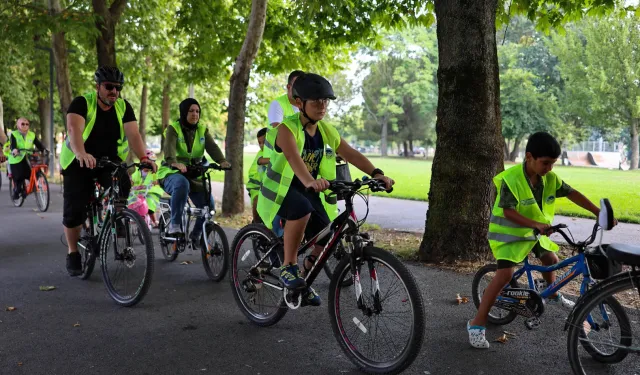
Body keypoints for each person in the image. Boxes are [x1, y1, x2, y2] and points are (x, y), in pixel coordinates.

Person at [467, 131, 615, 349]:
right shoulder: (511, 179)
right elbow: (507, 211)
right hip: (510, 236)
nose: (549, 168)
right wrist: (534, 224)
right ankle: (476, 324)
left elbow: (572, 193)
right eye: (545, 163)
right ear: (529, 157)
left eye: (553, 163)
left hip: (534, 233)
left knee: (550, 258)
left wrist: (596, 211)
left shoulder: (549, 178)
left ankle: (552, 293)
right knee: (504, 275)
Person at [257, 73, 394, 306]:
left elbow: (350, 153)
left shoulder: (325, 130)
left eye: (325, 101)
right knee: (301, 209)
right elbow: (292, 157)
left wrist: (376, 173)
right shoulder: (286, 129)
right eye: (316, 101)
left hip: (308, 187)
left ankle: (304, 278)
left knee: (327, 232)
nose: (322, 106)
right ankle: (288, 267)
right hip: (281, 189)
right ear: (299, 103)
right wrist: (310, 180)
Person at [61, 66, 157, 277]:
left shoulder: (124, 107)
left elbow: (133, 134)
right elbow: (74, 129)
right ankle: (73, 251)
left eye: (117, 88)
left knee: (123, 181)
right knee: (74, 209)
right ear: (98, 87)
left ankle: (117, 216)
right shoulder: (82, 103)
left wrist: (143, 158)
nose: (114, 91)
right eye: (109, 87)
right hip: (79, 160)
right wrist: (80, 153)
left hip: (108, 159)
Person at [156, 98, 230, 242]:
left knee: (209, 206)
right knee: (181, 184)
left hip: (194, 173)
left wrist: (221, 161)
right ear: (184, 112)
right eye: (191, 111)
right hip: (172, 172)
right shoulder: (173, 128)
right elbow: (169, 150)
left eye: (197, 111)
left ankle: (196, 235)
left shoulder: (202, 129)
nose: (195, 114)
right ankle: (175, 225)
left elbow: (212, 147)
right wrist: (174, 162)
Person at [8, 118, 47, 199]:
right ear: (18, 125)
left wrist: (43, 150)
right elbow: (13, 145)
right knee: (19, 176)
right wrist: (14, 150)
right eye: (22, 124)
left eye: (27, 124)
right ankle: (16, 191)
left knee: (30, 173)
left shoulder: (31, 134)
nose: (25, 126)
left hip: (26, 157)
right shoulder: (14, 134)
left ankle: (31, 187)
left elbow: (38, 144)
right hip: (16, 158)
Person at [128, 150, 164, 228]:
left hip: (151, 191)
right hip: (138, 192)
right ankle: (133, 217)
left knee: (149, 204)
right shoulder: (137, 172)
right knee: (133, 203)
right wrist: (131, 183)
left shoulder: (155, 172)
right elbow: (132, 180)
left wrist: (156, 182)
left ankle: (154, 221)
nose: (149, 166)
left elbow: (159, 179)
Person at [246, 127, 268, 223]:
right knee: (257, 200)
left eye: (264, 142)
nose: (262, 145)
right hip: (256, 186)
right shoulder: (261, 153)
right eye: (259, 143)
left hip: (267, 186)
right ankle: (256, 223)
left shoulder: (274, 151)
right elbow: (261, 160)